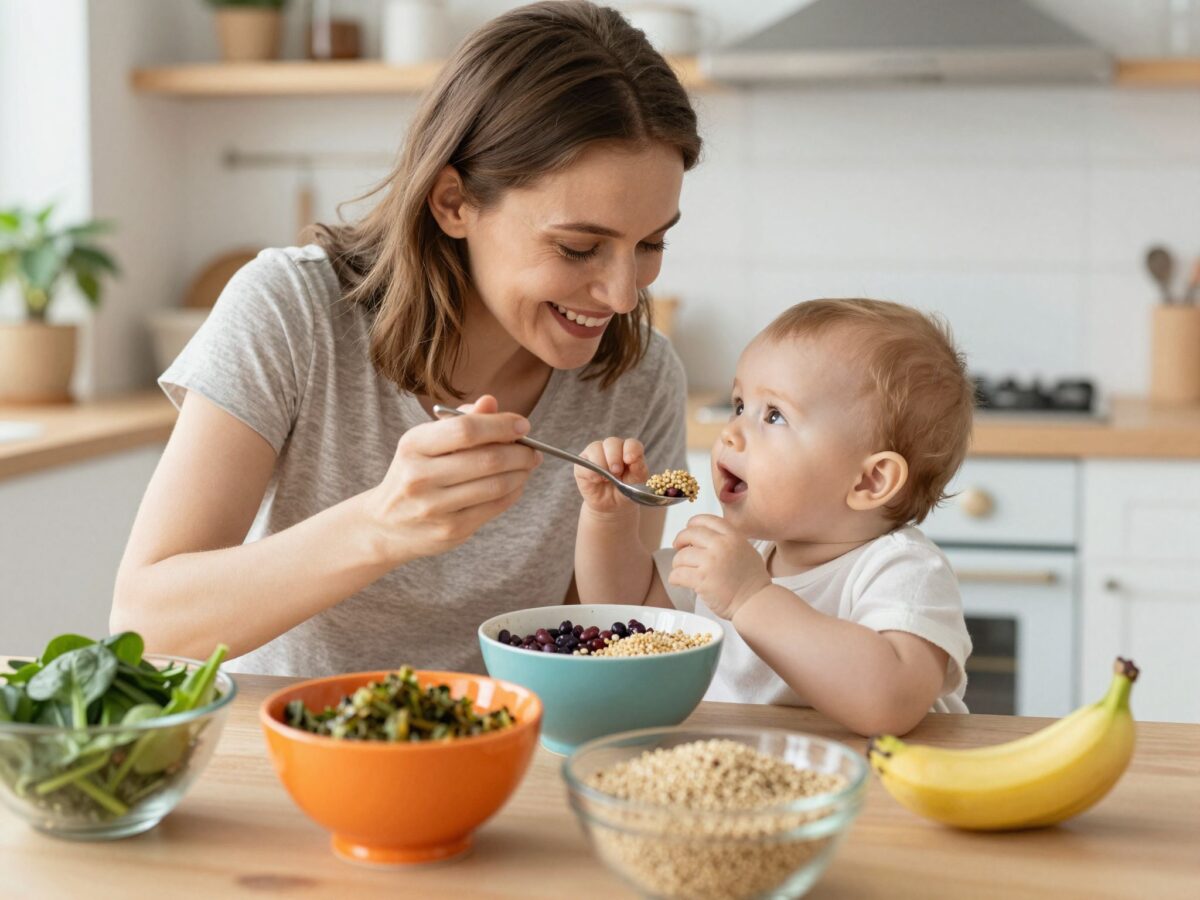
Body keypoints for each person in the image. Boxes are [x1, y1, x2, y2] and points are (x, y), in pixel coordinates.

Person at [110, 1, 700, 677]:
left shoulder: (640, 377)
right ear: (454, 203)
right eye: (578, 247)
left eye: (651, 241)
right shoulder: (291, 313)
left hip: (509, 761)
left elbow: (595, 653)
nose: (624, 296)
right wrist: (380, 526)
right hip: (292, 758)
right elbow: (143, 622)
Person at [573, 299, 975, 736]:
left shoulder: (902, 570)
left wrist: (750, 598)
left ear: (870, 481)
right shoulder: (742, 554)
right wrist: (609, 520)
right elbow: (622, 610)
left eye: (774, 415)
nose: (730, 431)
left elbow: (888, 704)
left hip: (880, 791)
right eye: (740, 404)